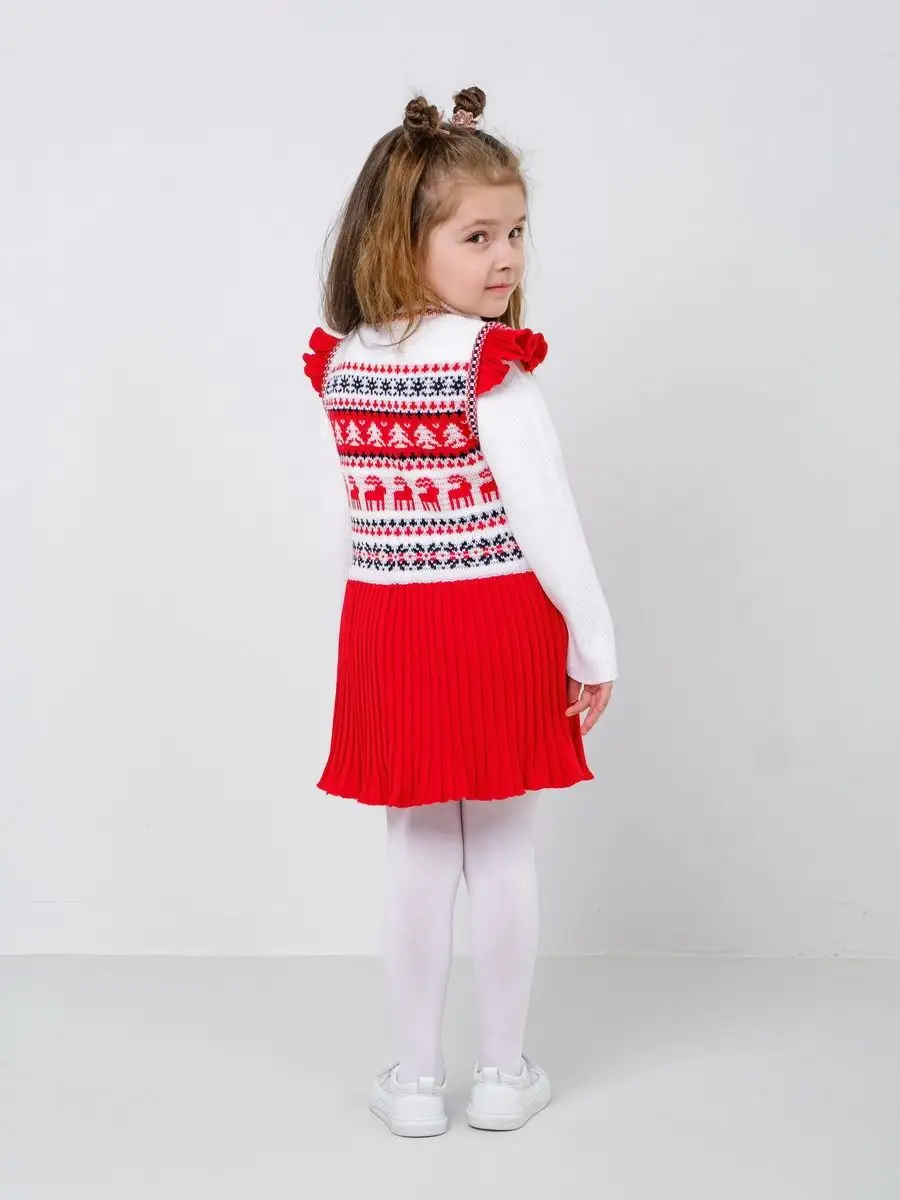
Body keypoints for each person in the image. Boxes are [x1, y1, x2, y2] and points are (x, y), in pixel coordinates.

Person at [302, 86, 618, 1137]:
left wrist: (370, 623)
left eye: (516, 232)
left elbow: (350, 518)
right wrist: (594, 642)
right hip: (494, 623)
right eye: (478, 236)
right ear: (405, 239)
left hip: (391, 626)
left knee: (419, 852)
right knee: (505, 852)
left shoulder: (346, 365)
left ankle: (413, 1081)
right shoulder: (490, 367)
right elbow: (547, 518)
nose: (506, 258)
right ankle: (501, 1074)